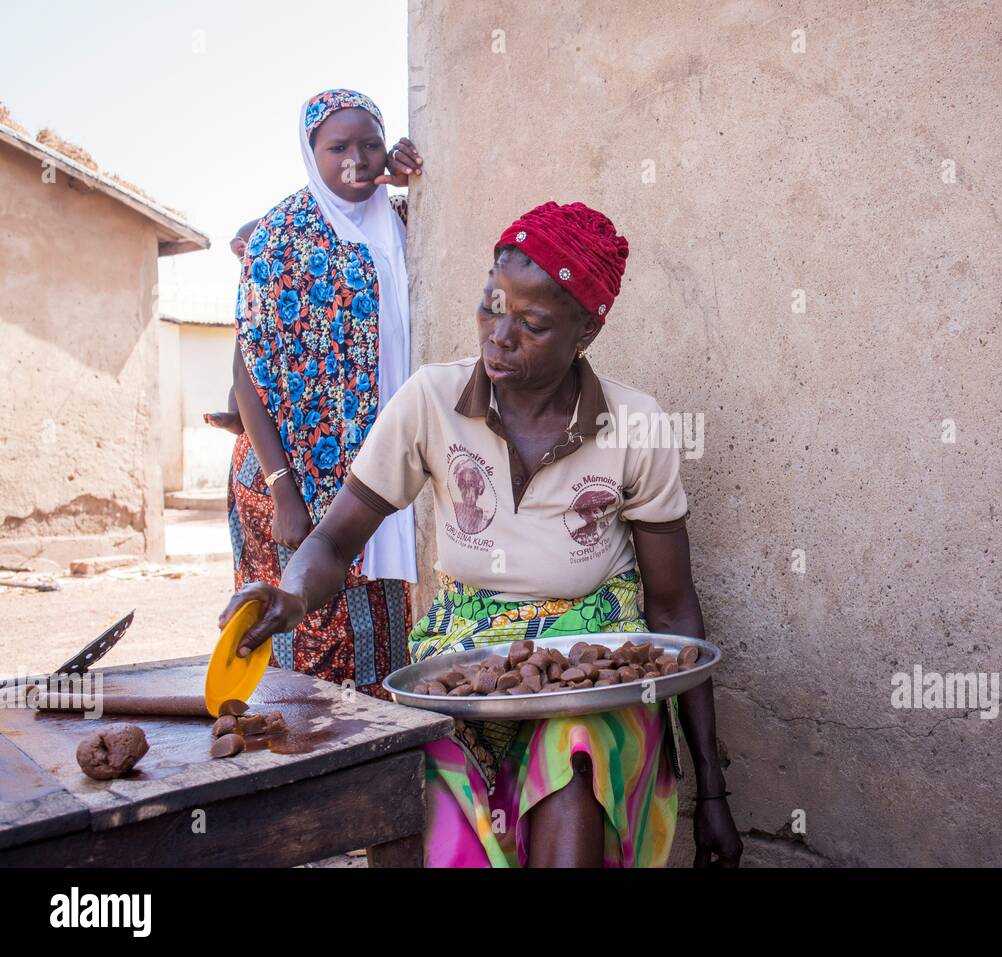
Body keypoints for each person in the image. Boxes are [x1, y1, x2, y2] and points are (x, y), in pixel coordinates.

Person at [221, 201, 743, 867]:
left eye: (531, 324)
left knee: (574, 752)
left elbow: (673, 610)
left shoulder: (635, 423)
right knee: (422, 775)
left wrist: (715, 792)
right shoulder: (431, 401)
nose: (498, 335)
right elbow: (332, 541)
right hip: (462, 664)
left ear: (585, 332)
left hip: (596, 669)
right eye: (491, 305)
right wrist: (290, 595)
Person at [225, 88, 424, 698]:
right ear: (311, 153)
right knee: (294, 654)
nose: (356, 159)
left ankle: (373, 783)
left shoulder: (403, 225)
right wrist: (285, 489)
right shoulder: (281, 235)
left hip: (375, 478)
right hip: (287, 482)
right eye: (338, 147)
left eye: (370, 144)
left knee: (381, 656)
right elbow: (247, 372)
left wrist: (411, 173)